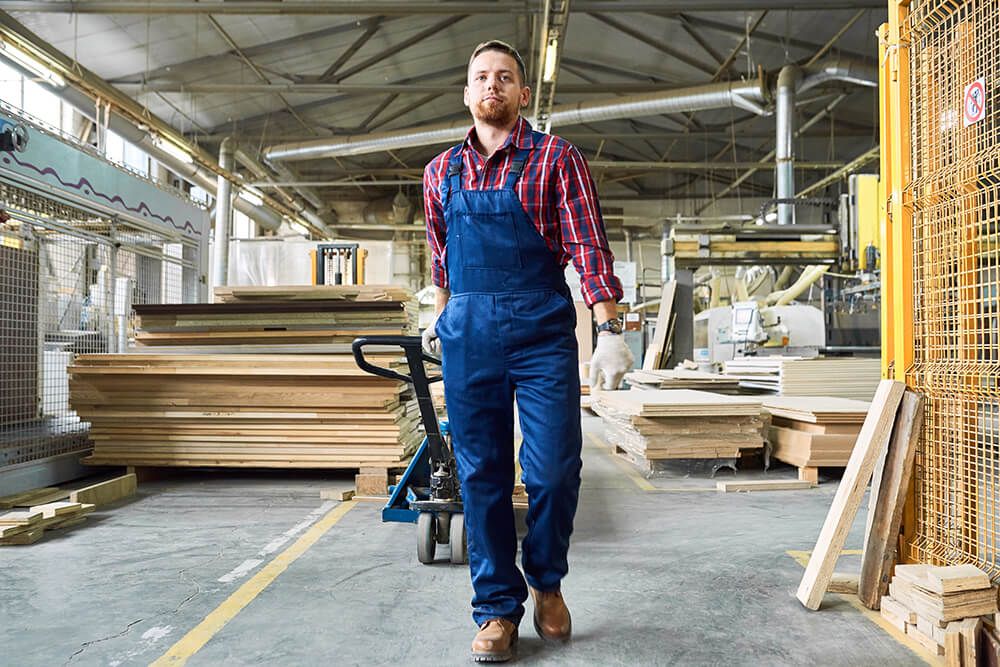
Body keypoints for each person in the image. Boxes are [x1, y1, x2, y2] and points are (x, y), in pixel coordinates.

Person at [421, 40, 633, 663]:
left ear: (522, 94)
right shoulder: (440, 172)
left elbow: (589, 246)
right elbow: (440, 257)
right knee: (481, 474)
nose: (493, 86)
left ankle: (547, 580)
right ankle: (495, 611)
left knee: (554, 469)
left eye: (504, 78)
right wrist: (441, 318)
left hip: (541, 330)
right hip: (469, 335)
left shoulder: (555, 158)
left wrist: (609, 328)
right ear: (467, 93)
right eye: (481, 77)